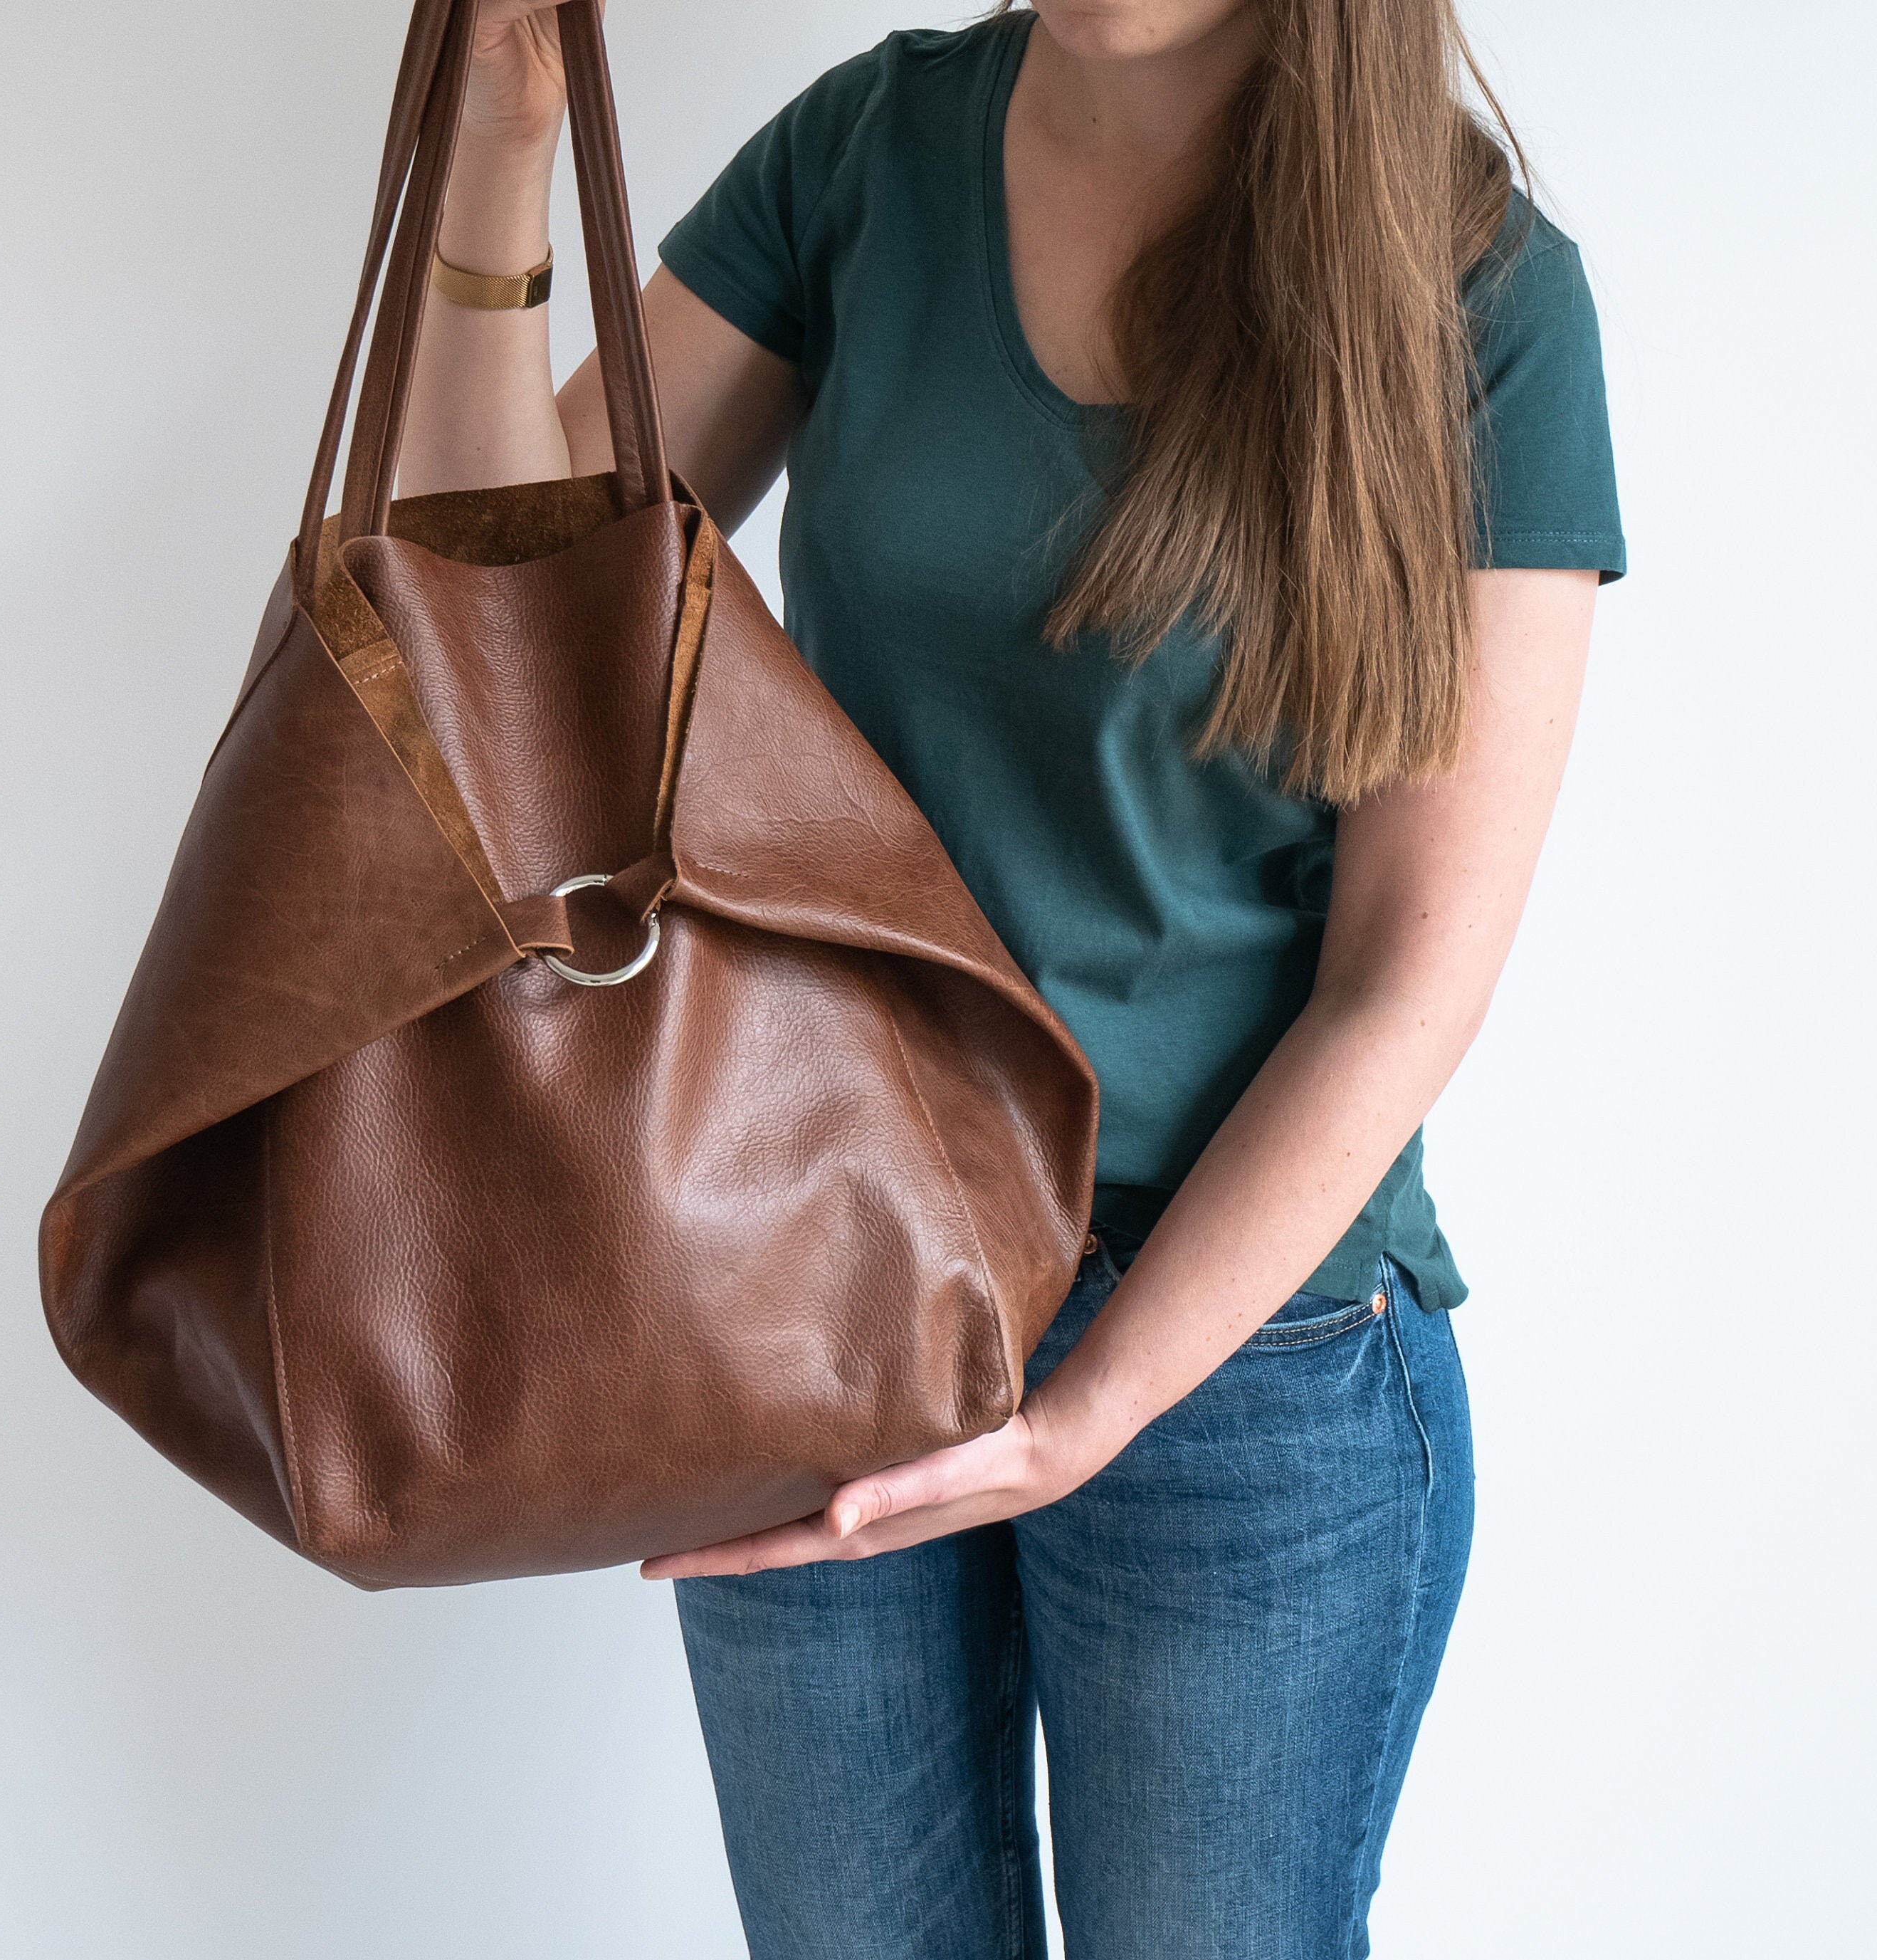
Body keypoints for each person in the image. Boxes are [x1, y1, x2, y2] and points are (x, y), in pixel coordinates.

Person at [399, 1, 1624, 1952]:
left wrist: (1088, 1410)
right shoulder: (869, 154)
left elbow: (1407, 982)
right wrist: (494, 151)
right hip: (822, 1292)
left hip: (1249, 1368)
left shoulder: (1485, 297)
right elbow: (507, 651)